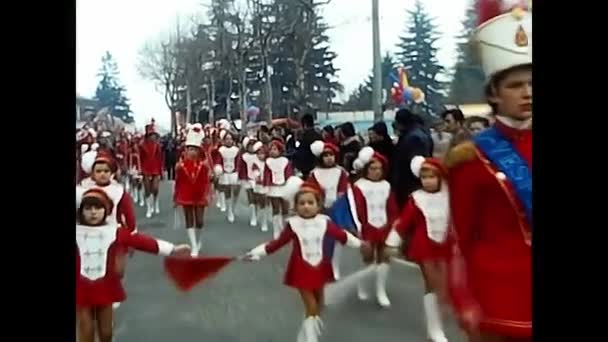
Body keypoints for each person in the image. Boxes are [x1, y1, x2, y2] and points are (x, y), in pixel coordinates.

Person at [444, 2, 532, 341]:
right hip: (497, 301)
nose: (527, 92)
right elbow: (459, 239)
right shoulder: (471, 157)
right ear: (494, 92)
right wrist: (462, 296)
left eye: (532, 83)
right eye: (515, 85)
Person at [243, 181, 370, 342]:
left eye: (311, 203)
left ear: (319, 205)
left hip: (320, 268)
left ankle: (303, 336)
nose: (306, 206)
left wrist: (360, 244)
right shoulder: (293, 225)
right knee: (311, 307)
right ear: (295, 206)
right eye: (302, 203)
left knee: (319, 307)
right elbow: (276, 244)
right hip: (301, 269)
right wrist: (256, 253)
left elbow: (342, 236)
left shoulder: (325, 222)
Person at [76, 188, 190, 342]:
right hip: (81, 288)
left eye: (98, 208)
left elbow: (141, 242)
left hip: (105, 286)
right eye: (88, 208)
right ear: (81, 211)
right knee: (85, 330)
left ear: (107, 210)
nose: (93, 212)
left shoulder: (115, 232)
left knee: (106, 332)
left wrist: (172, 249)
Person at [385, 156, 451, 342]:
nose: (428, 181)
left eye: (432, 176)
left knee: (445, 284)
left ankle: (435, 328)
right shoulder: (416, 199)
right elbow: (404, 222)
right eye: (424, 177)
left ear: (441, 177)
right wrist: (392, 242)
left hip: (446, 246)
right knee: (432, 284)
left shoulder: (450, 195)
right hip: (424, 247)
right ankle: (435, 329)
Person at [349, 147, 399, 308]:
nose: (376, 172)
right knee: (368, 258)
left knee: (385, 258)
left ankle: (381, 290)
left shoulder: (386, 185)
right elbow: (357, 209)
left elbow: (392, 209)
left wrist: (394, 228)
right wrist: (359, 229)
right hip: (367, 227)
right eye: (372, 168)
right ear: (365, 169)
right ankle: (362, 284)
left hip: (385, 226)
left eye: (379, 168)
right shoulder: (359, 186)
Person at [307, 140, 349, 279]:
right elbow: (311, 191)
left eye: (331, 154)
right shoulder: (314, 173)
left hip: (337, 209)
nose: (329, 158)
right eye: (326, 155)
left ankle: (334, 265)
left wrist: (338, 205)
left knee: (337, 239)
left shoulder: (341, 172)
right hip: (319, 210)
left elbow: (343, 191)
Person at [173, 124, 210, 257]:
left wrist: (207, 195)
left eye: (194, 149)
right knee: (189, 219)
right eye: (189, 149)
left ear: (199, 151)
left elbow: (206, 182)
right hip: (185, 194)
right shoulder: (180, 166)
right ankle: (193, 245)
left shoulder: (203, 165)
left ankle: (199, 240)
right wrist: (175, 197)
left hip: (200, 195)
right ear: (185, 151)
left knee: (199, 221)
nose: (191, 152)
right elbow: (178, 182)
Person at [390, 108, 433, 209]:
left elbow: (414, 162)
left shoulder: (413, 137)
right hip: (413, 181)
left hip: (409, 183)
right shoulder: (421, 132)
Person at [264, 139, 294, 238]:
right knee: (275, 208)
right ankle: (276, 229)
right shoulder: (268, 162)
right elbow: (266, 175)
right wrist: (266, 186)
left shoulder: (285, 161)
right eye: (271, 149)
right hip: (273, 188)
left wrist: (289, 184)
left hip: (284, 187)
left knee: (285, 209)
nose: (273, 151)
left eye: (275, 149)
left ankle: (285, 228)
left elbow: (289, 174)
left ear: (280, 150)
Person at [213, 130, 241, 223]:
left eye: (230, 139)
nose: (229, 141)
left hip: (234, 173)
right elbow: (218, 161)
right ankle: (229, 211)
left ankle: (233, 207)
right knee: (227, 191)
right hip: (225, 173)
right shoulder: (221, 150)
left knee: (236, 191)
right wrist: (218, 168)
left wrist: (237, 171)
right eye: (227, 139)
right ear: (224, 140)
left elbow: (238, 162)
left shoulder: (236, 150)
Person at [140, 121, 164, 218]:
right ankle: (149, 208)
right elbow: (140, 158)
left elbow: (160, 159)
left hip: (155, 169)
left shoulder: (157, 146)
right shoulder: (142, 145)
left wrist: (161, 171)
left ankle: (156, 203)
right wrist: (140, 169)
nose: (153, 137)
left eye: (154, 135)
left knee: (155, 188)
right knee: (147, 189)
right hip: (146, 169)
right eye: (151, 135)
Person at [239, 136, 262, 227]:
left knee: (257, 198)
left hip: (257, 180)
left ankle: (257, 214)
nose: (252, 147)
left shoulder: (259, 156)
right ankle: (253, 216)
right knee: (251, 198)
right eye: (250, 145)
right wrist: (243, 178)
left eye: (253, 145)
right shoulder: (244, 157)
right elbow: (241, 168)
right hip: (248, 179)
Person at [293, 114, 323, 178]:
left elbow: (301, 153)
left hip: (307, 169)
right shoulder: (319, 135)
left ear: (304, 124)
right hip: (319, 167)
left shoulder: (304, 137)